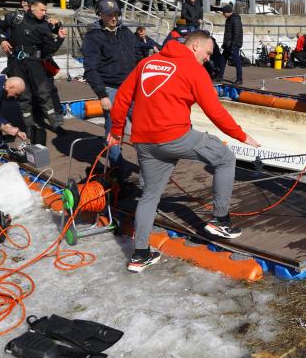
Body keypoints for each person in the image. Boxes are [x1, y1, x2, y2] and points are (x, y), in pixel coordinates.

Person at [107, 30, 261, 272]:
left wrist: (117, 131)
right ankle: (220, 220)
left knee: (149, 195)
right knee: (225, 158)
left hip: (145, 141)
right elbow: (214, 110)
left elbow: (122, 99)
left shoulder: (147, 63)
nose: (209, 58)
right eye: (208, 53)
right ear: (195, 46)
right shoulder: (193, 69)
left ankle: (139, 254)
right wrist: (240, 135)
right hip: (175, 136)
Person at [81, 0, 143, 171]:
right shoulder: (94, 37)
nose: (114, 18)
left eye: (116, 14)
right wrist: (102, 94)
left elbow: (137, 54)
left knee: (141, 124)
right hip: (111, 89)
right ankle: (117, 167)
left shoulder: (126, 32)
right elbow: (90, 69)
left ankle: (146, 163)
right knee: (114, 130)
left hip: (132, 87)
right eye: (109, 15)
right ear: (101, 15)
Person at [0, 0, 66, 133]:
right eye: (41, 10)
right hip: (16, 62)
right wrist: (2, 40)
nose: (44, 13)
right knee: (23, 95)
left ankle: (55, 124)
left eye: (45, 10)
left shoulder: (45, 25)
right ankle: (29, 125)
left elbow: (49, 50)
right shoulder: (16, 17)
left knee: (44, 93)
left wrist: (60, 38)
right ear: (32, 7)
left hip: (35, 63)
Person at [216, 4, 244, 85]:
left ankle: (239, 79)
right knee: (223, 59)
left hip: (233, 44)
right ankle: (220, 75)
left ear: (227, 12)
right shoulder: (229, 19)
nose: (223, 14)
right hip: (228, 44)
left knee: (237, 61)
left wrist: (233, 45)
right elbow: (228, 33)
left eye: (224, 12)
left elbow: (237, 33)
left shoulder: (235, 19)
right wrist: (225, 44)